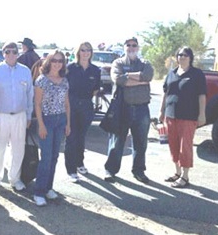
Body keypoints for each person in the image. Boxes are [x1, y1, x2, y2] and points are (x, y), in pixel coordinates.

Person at [0, 42, 34, 193]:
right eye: (7, 51)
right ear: (3, 53)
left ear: (18, 53)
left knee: (18, 149)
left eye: (14, 52)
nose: (11, 54)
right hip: (1, 116)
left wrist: (29, 115)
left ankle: (15, 179)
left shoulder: (25, 71)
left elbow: (29, 94)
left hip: (20, 116)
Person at [103, 37, 153, 184]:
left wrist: (129, 77)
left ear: (138, 48)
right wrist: (139, 79)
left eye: (134, 45)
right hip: (122, 109)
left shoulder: (145, 63)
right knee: (117, 142)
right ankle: (110, 170)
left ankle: (138, 171)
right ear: (124, 47)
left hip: (142, 109)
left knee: (140, 143)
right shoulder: (118, 63)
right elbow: (118, 80)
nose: (131, 47)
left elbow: (148, 76)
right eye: (128, 45)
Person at [158, 46, 207, 188]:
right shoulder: (172, 73)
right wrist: (162, 112)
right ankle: (177, 172)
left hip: (188, 117)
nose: (182, 57)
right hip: (170, 115)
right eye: (179, 55)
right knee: (173, 145)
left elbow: (202, 95)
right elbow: (165, 93)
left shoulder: (197, 74)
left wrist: (202, 114)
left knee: (184, 147)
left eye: (185, 55)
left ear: (190, 58)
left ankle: (185, 177)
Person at [33, 51, 70, 206]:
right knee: (46, 157)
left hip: (60, 120)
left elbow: (67, 104)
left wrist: (68, 123)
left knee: (55, 156)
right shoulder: (41, 80)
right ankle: (38, 192)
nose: (57, 63)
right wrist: (41, 125)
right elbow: (37, 104)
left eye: (60, 60)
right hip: (46, 121)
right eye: (54, 60)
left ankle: (49, 188)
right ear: (49, 62)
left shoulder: (64, 81)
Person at [64, 42, 101, 182]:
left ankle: (80, 163)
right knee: (71, 137)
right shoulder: (70, 68)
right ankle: (71, 170)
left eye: (88, 50)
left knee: (81, 137)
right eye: (83, 50)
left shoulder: (95, 70)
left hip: (86, 106)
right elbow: (64, 88)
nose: (86, 53)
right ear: (78, 52)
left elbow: (96, 89)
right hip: (71, 106)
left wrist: (85, 101)